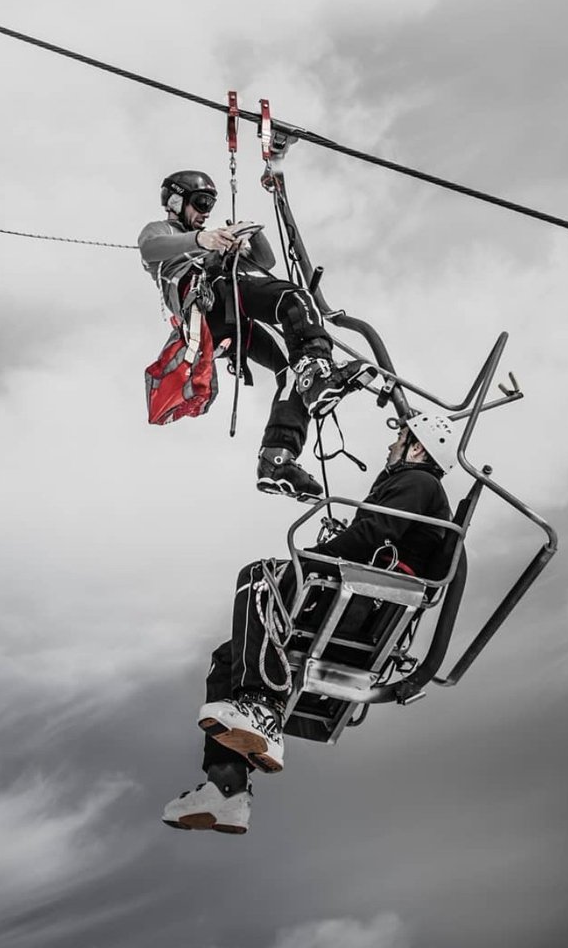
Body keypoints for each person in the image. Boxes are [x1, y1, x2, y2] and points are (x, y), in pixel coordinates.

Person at [161, 413, 456, 835]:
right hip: (360, 603)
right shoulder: (413, 488)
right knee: (227, 658)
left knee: (258, 577)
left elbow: (373, 533)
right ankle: (226, 789)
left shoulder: (419, 483)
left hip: (363, 605)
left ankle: (261, 706)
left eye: (399, 439)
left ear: (417, 447)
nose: (389, 448)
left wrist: (315, 557)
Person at [138, 170, 376, 502]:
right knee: (295, 300)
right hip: (210, 298)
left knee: (291, 371)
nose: (206, 212)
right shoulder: (164, 232)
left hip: (227, 320)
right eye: (201, 202)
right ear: (176, 201)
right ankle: (318, 373)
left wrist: (252, 234)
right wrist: (201, 241)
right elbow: (150, 249)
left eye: (211, 204)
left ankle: (277, 459)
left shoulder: (213, 238)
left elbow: (265, 260)